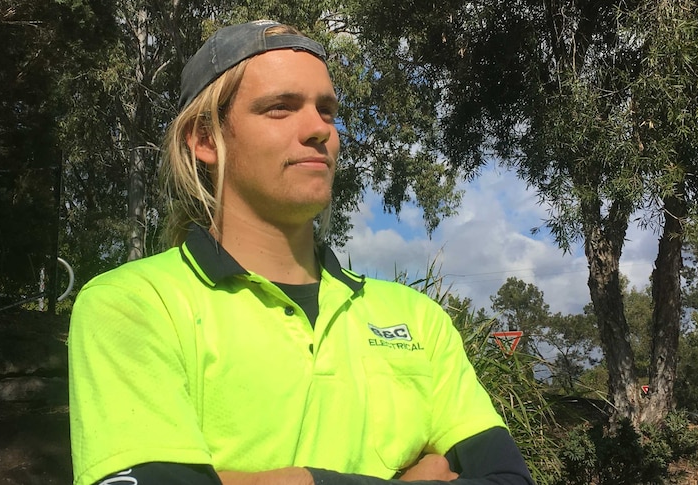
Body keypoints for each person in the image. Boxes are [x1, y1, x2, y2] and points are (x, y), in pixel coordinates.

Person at [68, 20, 535, 485]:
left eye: (327, 111)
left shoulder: (419, 319)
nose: (318, 130)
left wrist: (289, 480)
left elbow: (509, 479)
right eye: (279, 108)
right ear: (206, 139)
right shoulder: (135, 304)